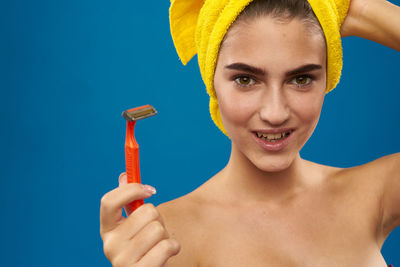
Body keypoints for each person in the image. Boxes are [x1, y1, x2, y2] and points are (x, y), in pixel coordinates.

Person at [100, 0, 400, 266]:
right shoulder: (164, 238)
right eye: (245, 79)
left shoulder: (375, 194)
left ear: (327, 79)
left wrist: (360, 9)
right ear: (212, 81)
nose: (275, 112)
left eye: (301, 79)